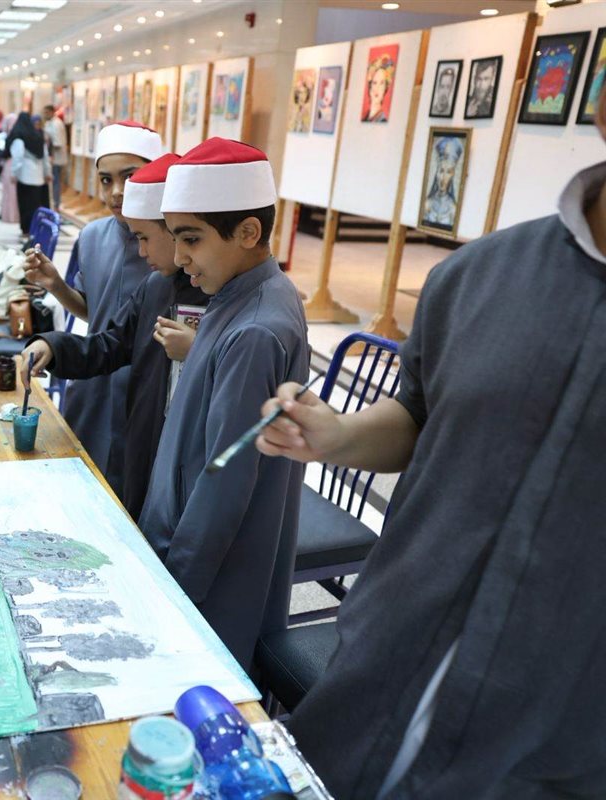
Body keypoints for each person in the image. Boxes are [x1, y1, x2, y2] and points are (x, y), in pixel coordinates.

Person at [257, 80, 606, 800]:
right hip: (379, 676)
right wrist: (338, 434)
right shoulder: (483, 276)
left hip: (557, 743)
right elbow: (420, 416)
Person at [139, 138, 308, 669]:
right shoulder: (240, 293)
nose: (180, 257)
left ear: (249, 232)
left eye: (191, 238)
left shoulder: (256, 330)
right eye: (174, 237)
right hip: (187, 535)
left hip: (211, 570)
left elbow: (223, 485)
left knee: (205, 678)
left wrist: (175, 590)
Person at [20, 154, 205, 519]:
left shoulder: (221, 294)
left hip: (185, 452)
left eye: (145, 238)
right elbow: (111, 343)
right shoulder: (156, 285)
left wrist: (198, 349)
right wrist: (52, 345)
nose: (141, 251)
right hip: (144, 432)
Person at [21, 121, 164, 498]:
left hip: (146, 390)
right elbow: (93, 312)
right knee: (82, 486)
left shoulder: (169, 244)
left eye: (130, 176)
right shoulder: (93, 236)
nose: (116, 191)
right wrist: (56, 284)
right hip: (93, 379)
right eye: (105, 180)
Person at [6, 112, 51, 237]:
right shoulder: (38, 136)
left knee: (25, 206)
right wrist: (47, 172)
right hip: (39, 177)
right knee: (36, 206)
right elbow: (45, 157)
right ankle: (36, 230)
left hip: (25, 177)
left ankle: (26, 230)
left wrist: (14, 173)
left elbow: (18, 157)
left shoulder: (19, 137)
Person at [41, 105, 67, 210]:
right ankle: (53, 203)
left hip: (56, 159)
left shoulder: (56, 124)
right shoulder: (49, 123)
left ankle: (56, 205)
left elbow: (57, 143)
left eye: (47, 113)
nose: (45, 115)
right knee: (52, 183)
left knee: (56, 182)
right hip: (51, 158)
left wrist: (50, 154)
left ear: (52, 112)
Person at [363, 54, 395, 123]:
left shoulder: (382, 121)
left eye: (381, 83)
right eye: (374, 82)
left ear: (385, 88)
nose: (377, 88)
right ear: (370, 86)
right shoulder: (364, 118)